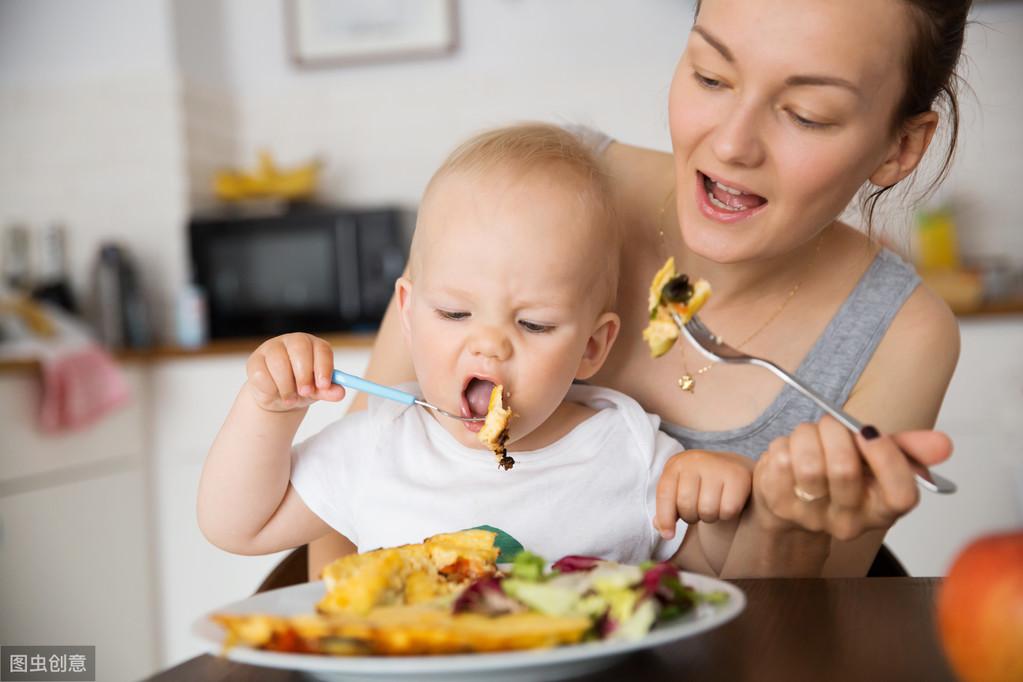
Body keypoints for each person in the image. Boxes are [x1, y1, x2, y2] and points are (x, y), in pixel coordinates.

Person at [309, 0, 970, 579]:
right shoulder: (531, 191)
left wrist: (783, 528)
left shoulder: (901, 334)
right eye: (710, 76)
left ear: (899, 148)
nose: (732, 144)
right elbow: (345, 506)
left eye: (806, 114)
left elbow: (797, 624)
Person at [197, 123, 753, 568]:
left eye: (533, 324)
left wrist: (715, 510)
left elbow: (706, 583)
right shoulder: (380, 444)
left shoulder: (628, 450)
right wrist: (269, 409)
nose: (489, 346)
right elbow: (237, 526)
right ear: (409, 315)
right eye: (455, 313)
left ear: (592, 346)